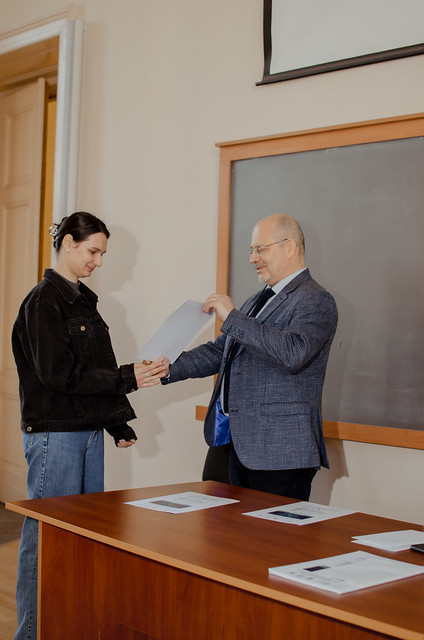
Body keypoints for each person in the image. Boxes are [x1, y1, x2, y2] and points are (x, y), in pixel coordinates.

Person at [11, 211, 168, 640]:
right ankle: (31, 634)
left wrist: (118, 424)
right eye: (93, 251)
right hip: (55, 437)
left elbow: (97, 367)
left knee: (81, 537)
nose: (98, 261)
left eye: (102, 254)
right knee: (47, 539)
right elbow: (59, 375)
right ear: (67, 244)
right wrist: (129, 377)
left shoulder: (85, 302)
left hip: (87, 434)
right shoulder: (42, 302)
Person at [162, 213, 338, 500]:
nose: (253, 258)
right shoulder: (257, 300)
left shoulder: (315, 299)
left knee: (273, 530)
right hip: (237, 442)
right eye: (251, 250)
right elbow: (220, 351)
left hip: (280, 452)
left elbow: (294, 352)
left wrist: (233, 317)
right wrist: (168, 367)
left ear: (289, 247)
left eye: (260, 249)